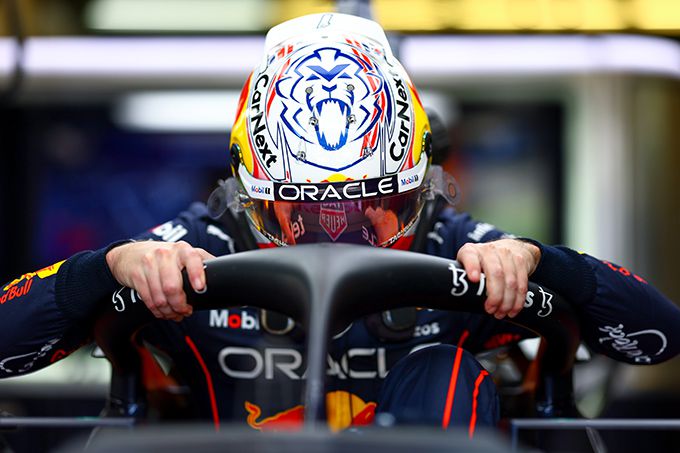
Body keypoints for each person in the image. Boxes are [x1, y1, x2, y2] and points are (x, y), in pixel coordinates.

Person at [1, 12, 679, 435]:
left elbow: (659, 337)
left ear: (420, 185)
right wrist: (108, 269)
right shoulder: (197, 246)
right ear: (247, 193)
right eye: (303, 211)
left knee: (441, 371)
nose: (337, 237)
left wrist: (537, 262)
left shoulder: (458, 245)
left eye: (370, 208)